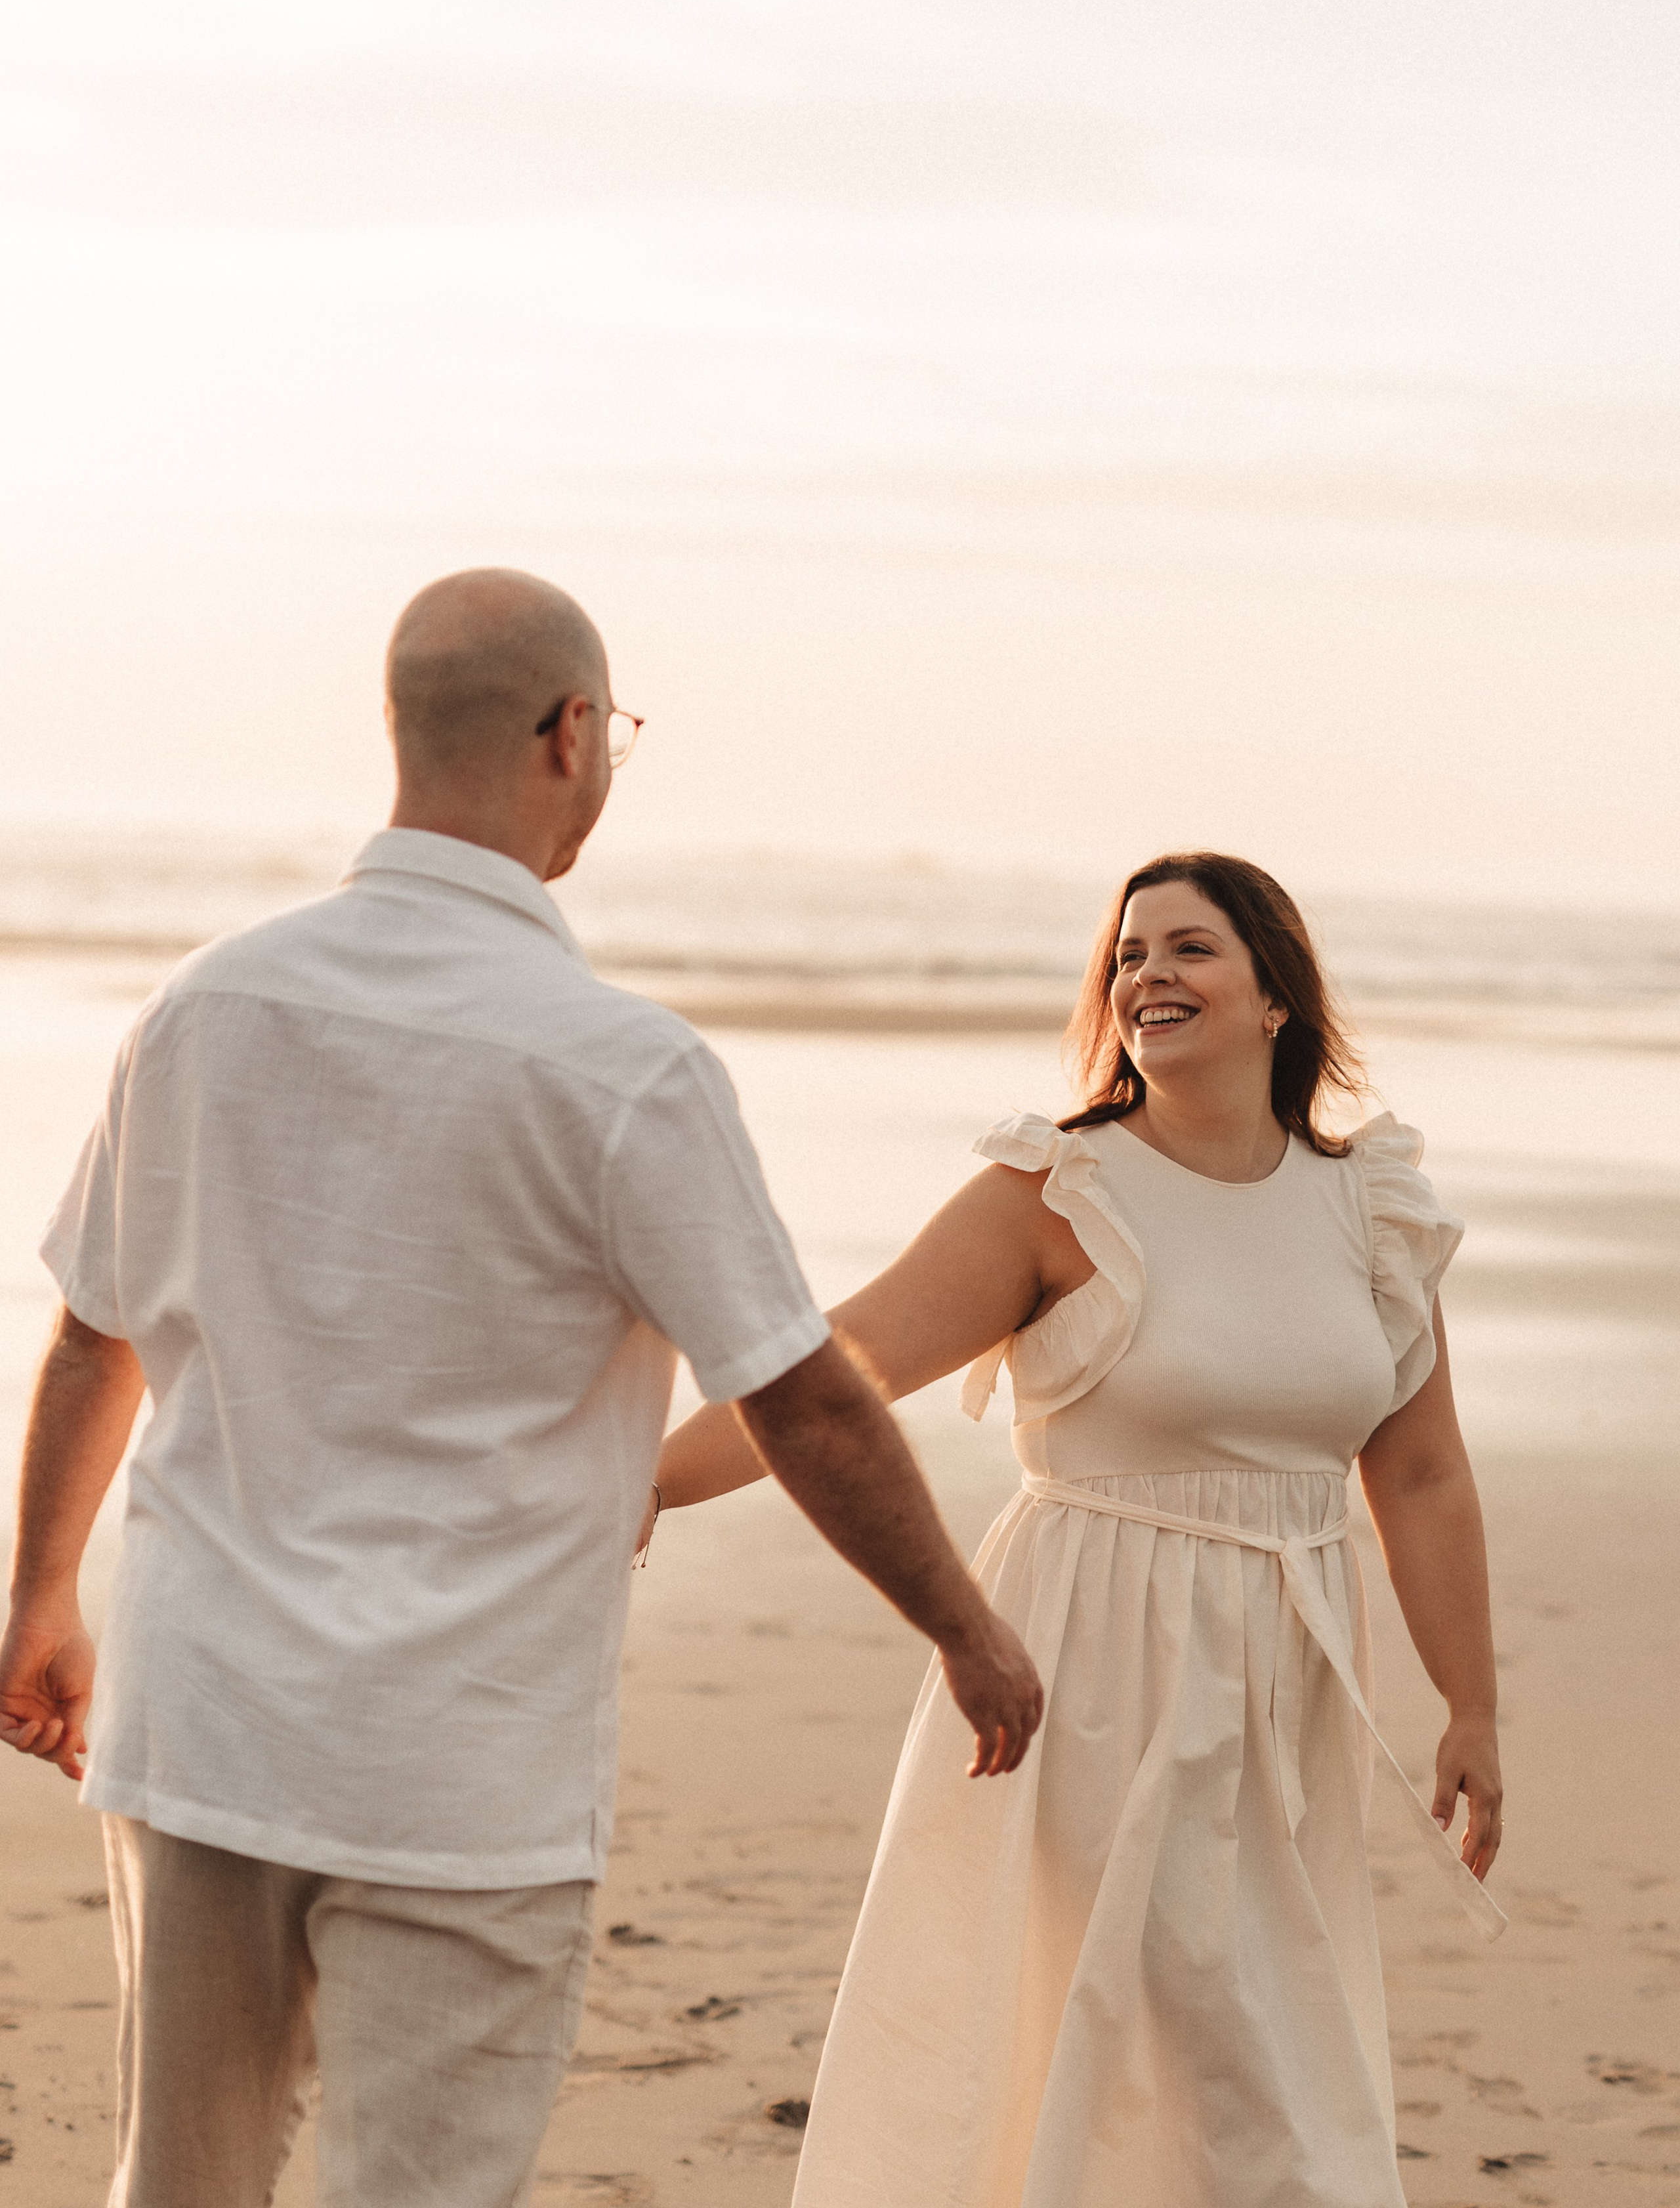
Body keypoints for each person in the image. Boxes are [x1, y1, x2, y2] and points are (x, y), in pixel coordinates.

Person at [0, 568, 1041, 2208]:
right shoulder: (621, 1065)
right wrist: (964, 1630)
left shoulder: (200, 1008)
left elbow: (92, 1334)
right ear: (568, 734)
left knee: (178, 2183)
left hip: (202, 1718)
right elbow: (805, 1398)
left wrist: (43, 1595)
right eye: (612, 731)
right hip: (461, 1763)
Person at [653, 851, 1505, 2208]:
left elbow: (1419, 1475)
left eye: (1187, 948)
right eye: (1125, 956)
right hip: (1095, 1661)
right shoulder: (1057, 1190)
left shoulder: (1368, 1207)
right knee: (1170, 2018)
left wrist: (1469, 1703)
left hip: (1287, 1672)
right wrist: (651, 1480)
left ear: (1275, 992)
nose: (1145, 976)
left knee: (1245, 2011)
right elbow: (847, 1361)